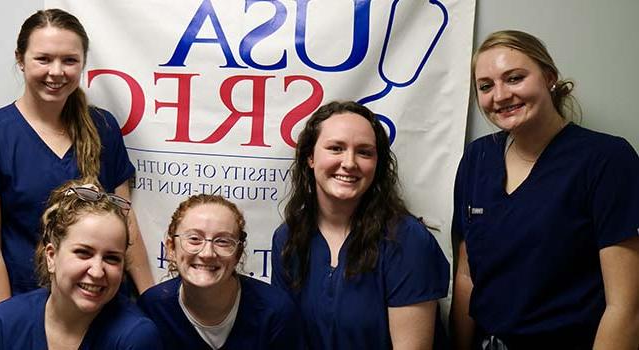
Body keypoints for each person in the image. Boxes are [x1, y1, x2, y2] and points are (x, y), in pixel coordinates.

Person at [0, 8, 154, 313]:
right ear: (20, 59)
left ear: (83, 63)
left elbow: (126, 226)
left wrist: (151, 302)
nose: (56, 71)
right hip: (29, 307)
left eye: (69, 60)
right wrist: (6, 324)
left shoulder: (104, 127)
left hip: (103, 307)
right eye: (43, 59)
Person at [451, 30, 639, 349]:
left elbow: (625, 308)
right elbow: (468, 275)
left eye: (514, 78)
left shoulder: (607, 160)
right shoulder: (477, 158)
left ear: (549, 77)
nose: (499, 95)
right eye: (485, 86)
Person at [271, 101, 450, 349]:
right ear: (310, 157)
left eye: (364, 152)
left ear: (376, 165)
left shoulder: (406, 239)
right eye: (336, 148)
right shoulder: (288, 237)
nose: (350, 162)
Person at [0, 180, 162, 349]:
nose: (98, 272)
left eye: (112, 258)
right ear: (51, 257)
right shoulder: (7, 322)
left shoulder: (135, 337)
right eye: (83, 253)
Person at [138, 194, 303, 349]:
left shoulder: (275, 313)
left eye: (223, 241)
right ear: (171, 248)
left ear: (238, 254)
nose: (207, 253)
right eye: (194, 239)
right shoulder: (153, 308)